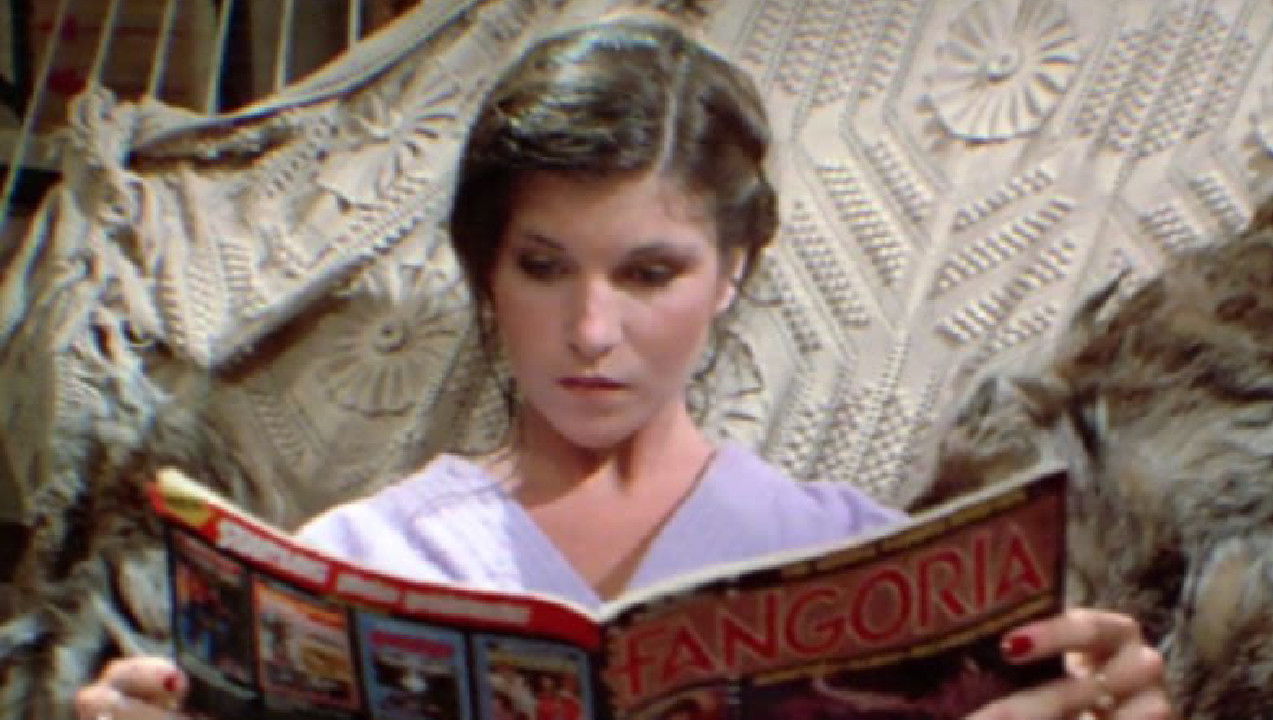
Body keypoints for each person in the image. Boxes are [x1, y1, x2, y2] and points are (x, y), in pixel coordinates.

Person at [74, 11, 1172, 720]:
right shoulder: (353, 565)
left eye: (650, 273)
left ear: (730, 272)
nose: (592, 331)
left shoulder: (860, 563)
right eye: (544, 267)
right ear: (487, 272)